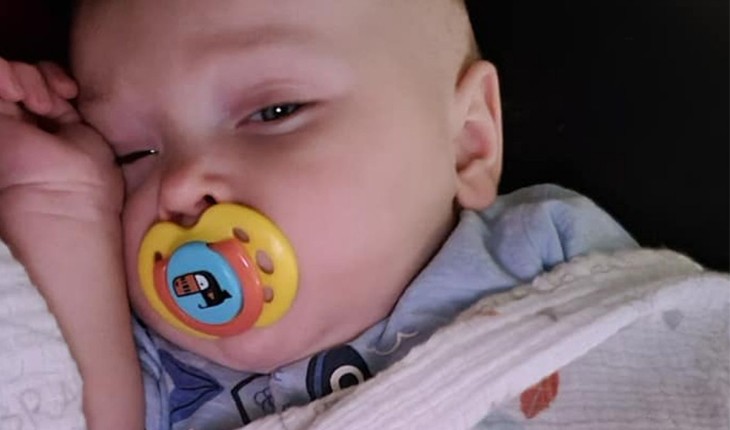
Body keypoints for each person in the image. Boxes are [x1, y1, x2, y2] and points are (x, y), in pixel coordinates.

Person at [0, 0, 637, 428]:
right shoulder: (146, 363)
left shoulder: (546, 256)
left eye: (275, 112)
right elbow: (62, 411)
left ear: (468, 142)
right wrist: (56, 196)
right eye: (130, 154)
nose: (181, 185)